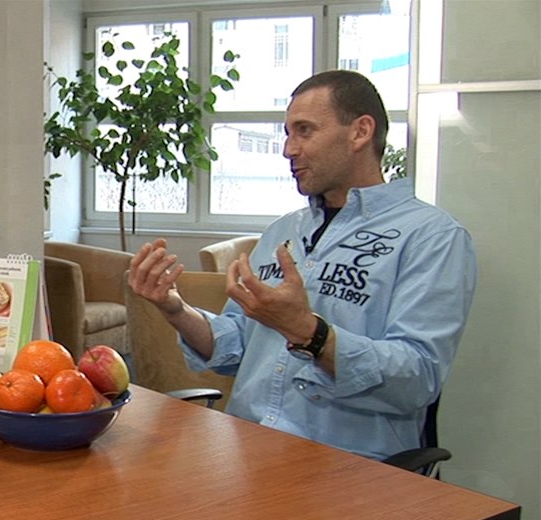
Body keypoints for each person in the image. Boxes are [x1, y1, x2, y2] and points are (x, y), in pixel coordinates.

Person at [128, 70, 477, 460]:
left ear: (360, 132)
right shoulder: (283, 231)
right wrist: (176, 309)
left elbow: (417, 379)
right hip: (247, 449)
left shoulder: (431, 236)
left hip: (347, 466)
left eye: (304, 131)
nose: (288, 149)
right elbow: (235, 345)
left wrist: (307, 331)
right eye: (287, 133)